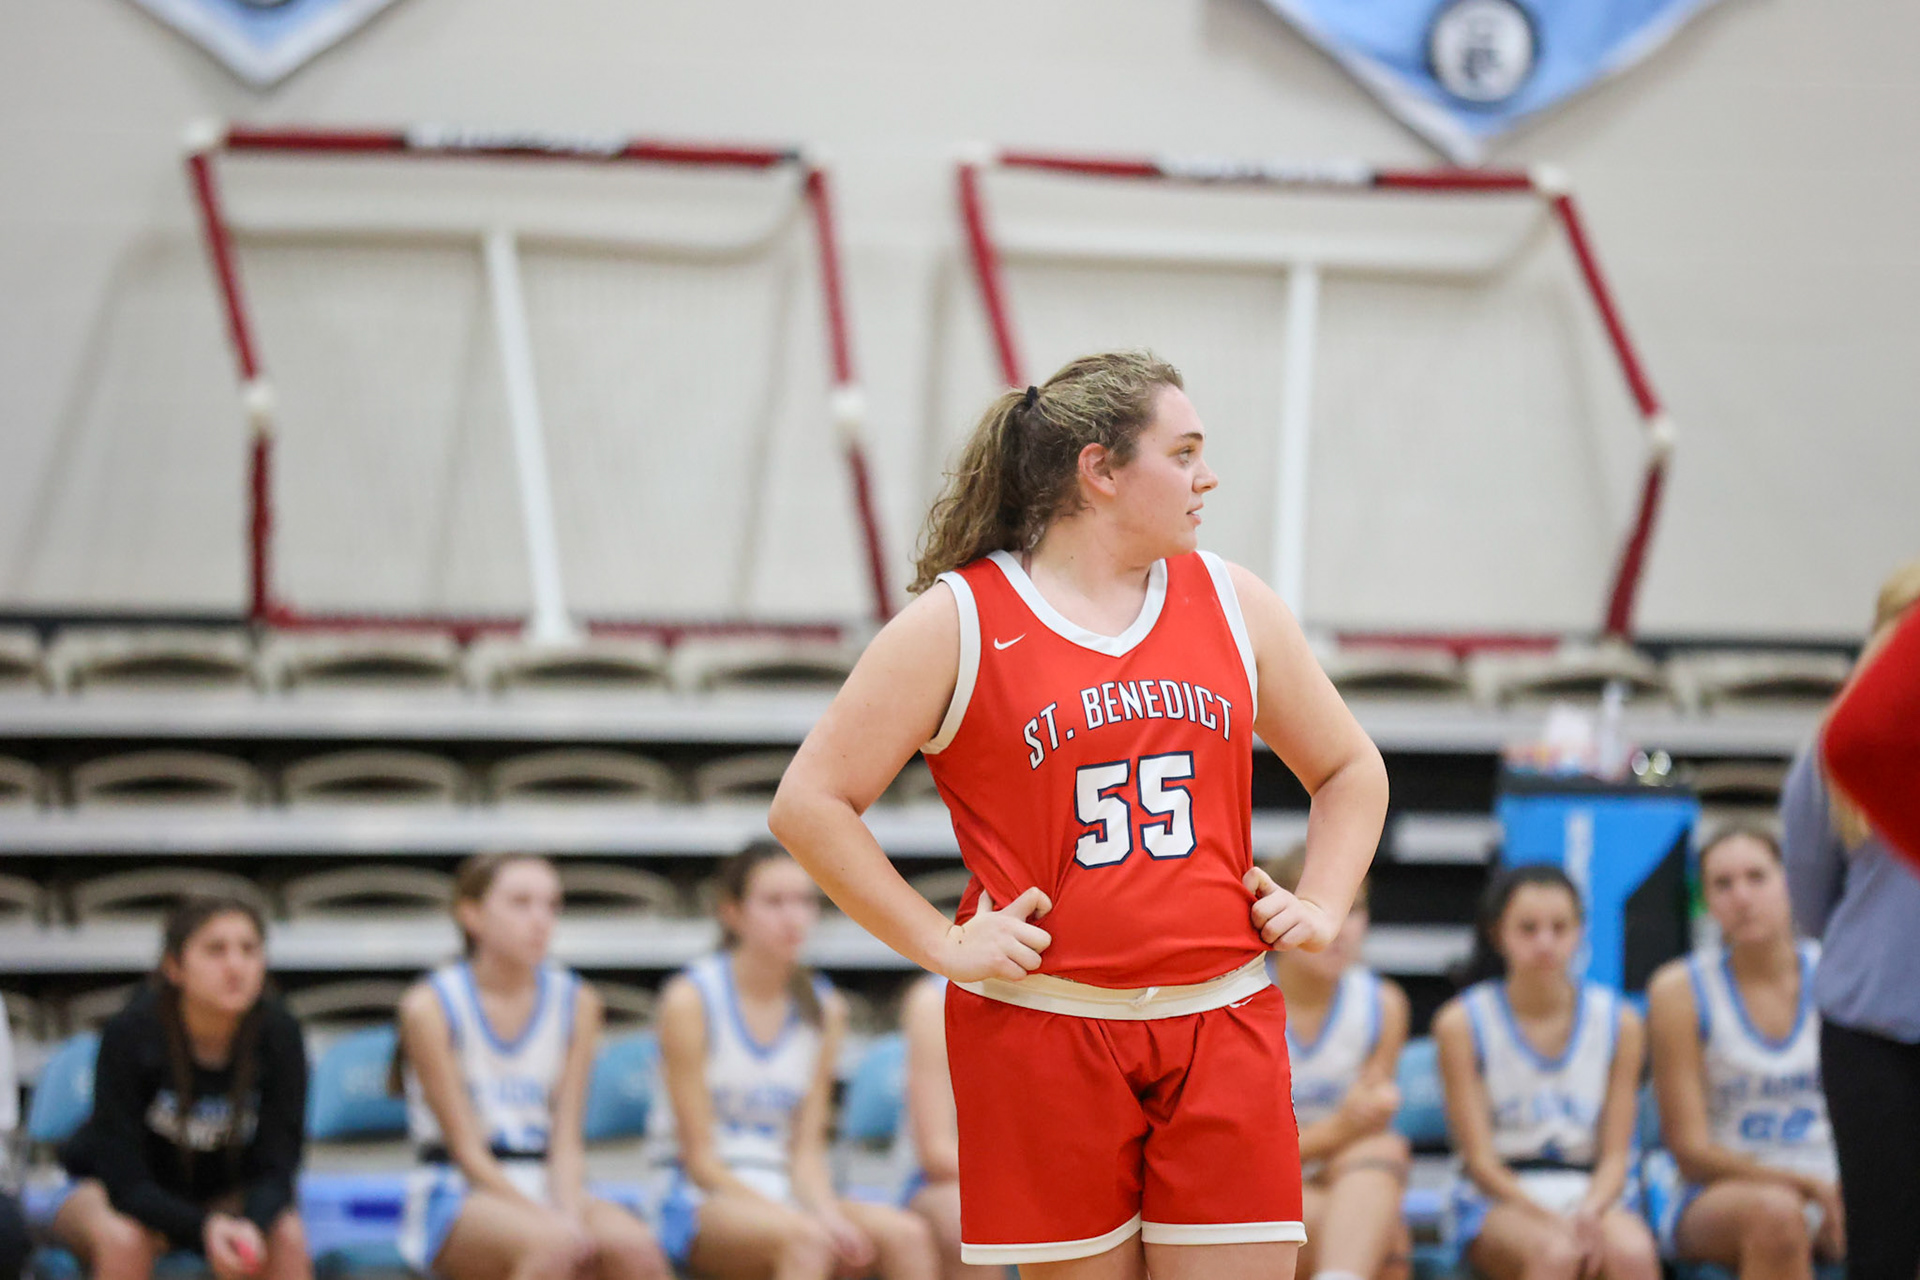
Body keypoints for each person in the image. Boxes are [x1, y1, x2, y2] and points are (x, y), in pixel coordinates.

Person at [770, 351, 1389, 1279]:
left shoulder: (1234, 602)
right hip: (1045, 1028)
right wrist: (941, 943)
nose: (1207, 477)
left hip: (1220, 1018)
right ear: (1100, 470)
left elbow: (1349, 768)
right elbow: (809, 803)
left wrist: (1325, 902)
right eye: (1183, 453)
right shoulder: (961, 619)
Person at [645, 843, 936, 1280]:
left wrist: (827, 1214)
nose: (793, 917)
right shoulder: (690, 1000)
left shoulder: (825, 1009)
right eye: (774, 902)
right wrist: (800, 1220)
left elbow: (806, 1152)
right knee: (808, 1240)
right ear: (731, 912)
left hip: (785, 1188)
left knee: (905, 1235)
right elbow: (700, 1161)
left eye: (803, 901)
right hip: (697, 1194)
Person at [395, 852, 668, 1280]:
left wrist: (569, 1213)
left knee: (636, 1249)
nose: (540, 920)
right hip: (459, 1188)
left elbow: (567, 1140)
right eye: (521, 903)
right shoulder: (429, 1006)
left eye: (551, 905)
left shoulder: (578, 1001)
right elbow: (467, 1151)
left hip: (548, 1178)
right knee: (554, 1246)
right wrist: (552, 1223)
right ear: (471, 915)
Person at [48, 897, 310, 1280]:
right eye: (216, 950)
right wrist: (202, 1229)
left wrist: (249, 1226)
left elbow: (278, 1169)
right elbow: (124, 1179)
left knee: (286, 1235)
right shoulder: (130, 1032)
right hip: (113, 1193)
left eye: (249, 949)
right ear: (174, 966)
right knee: (124, 1239)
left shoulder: (281, 1034)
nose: (235, 965)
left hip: (222, 1199)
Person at [1783, 560, 1920, 1280]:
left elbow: (1812, 902)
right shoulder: (1839, 747)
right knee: (1885, 1247)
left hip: (1869, 1014)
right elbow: (1806, 896)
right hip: (1873, 1030)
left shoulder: (1841, 744)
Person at [1432, 865, 1657, 1280]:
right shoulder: (1462, 1023)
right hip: (1499, 1195)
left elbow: (1616, 1156)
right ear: (1498, 934)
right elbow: (1480, 1162)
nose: (1545, 943)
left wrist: (1588, 1211)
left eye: (1559, 927)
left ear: (1581, 932)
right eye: (1528, 929)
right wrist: (1553, 1219)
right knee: (1555, 1253)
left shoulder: (1620, 1022)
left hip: (1591, 1190)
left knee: (1633, 1253)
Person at [1644, 828, 1841, 1279]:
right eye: (1723, 884)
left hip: (1832, 1177)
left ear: (1789, 881)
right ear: (1706, 901)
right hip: (1719, 1188)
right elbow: (1690, 1151)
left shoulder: (1838, 974)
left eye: (1757, 877)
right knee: (1777, 1214)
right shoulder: (1678, 990)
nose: (1742, 897)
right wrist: (1807, 1186)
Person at [1263, 848, 1411, 1280]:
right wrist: (1340, 1128)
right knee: (1386, 1239)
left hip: (1337, 1175)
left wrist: (1344, 1132)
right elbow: (1238, 1157)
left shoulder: (1383, 1004)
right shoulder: (1241, 1002)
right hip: (1259, 1183)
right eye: (1319, 906)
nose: (1341, 928)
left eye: (1354, 909)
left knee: (1383, 1150)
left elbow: (1366, 1130)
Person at [895, 974, 995, 1280]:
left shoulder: (1072, 992)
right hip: (944, 1181)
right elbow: (936, 1154)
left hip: (1041, 1177)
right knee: (967, 1220)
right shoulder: (934, 1001)